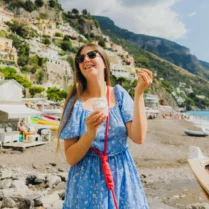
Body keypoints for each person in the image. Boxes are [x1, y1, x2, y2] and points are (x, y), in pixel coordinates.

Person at [57, 44, 152, 209]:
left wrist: (139, 94)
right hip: (86, 181)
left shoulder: (119, 94)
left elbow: (138, 137)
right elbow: (71, 158)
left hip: (121, 176)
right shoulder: (74, 104)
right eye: (81, 58)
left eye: (92, 55)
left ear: (105, 63)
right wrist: (90, 134)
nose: (86, 59)